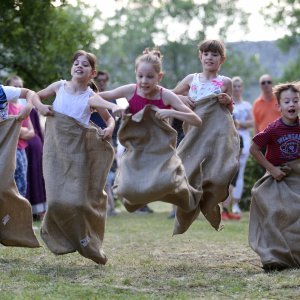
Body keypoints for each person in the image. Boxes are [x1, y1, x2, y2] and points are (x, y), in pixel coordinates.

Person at [32, 50, 124, 264]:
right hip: (55, 151)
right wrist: (40, 106)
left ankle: (87, 241)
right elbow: (35, 95)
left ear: (92, 73)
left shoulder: (91, 97)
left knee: (79, 202)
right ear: (71, 68)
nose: (79, 66)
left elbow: (108, 115)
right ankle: (55, 235)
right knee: (54, 201)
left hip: (78, 153)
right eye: (76, 63)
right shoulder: (58, 87)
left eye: (85, 64)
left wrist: (110, 127)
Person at [100, 47, 202, 232]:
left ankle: (188, 196)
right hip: (136, 150)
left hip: (161, 152)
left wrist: (171, 111)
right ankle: (136, 201)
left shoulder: (166, 95)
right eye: (140, 76)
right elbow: (95, 97)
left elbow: (196, 120)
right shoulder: (131, 91)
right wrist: (112, 107)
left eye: (149, 77)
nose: (144, 81)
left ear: (159, 77)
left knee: (167, 183)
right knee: (124, 190)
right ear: (136, 75)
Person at [172, 39, 240, 231]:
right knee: (187, 172)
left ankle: (211, 202)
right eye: (206, 53)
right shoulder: (191, 79)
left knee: (217, 174)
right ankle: (187, 210)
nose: (210, 57)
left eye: (215, 54)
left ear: (222, 59)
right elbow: (170, 95)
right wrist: (183, 98)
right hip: (194, 135)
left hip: (216, 136)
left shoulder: (225, 82)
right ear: (200, 56)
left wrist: (227, 100)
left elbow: (230, 109)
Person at [249, 82, 300, 271]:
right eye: (287, 101)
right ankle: (273, 258)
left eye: (295, 100)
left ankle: (294, 255)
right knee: (273, 213)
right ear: (278, 106)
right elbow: (254, 149)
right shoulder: (273, 129)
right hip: (276, 177)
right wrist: (272, 169)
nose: (292, 104)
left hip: (295, 177)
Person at [6, 76, 35, 198]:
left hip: (21, 149)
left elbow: (32, 132)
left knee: (22, 181)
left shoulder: (22, 108)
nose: (18, 89)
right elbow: (7, 128)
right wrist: (21, 130)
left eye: (20, 86)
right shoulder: (5, 106)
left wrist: (19, 130)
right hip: (10, 149)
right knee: (12, 180)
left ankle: (19, 212)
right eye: (15, 86)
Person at [229, 76, 253, 215]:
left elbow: (252, 123)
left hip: (244, 139)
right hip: (230, 139)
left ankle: (235, 204)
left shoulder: (247, 106)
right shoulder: (228, 104)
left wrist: (238, 123)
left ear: (242, 88)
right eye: (234, 86)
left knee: (239, 172)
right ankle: (225, 202)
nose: (237, 88)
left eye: (239, 86)